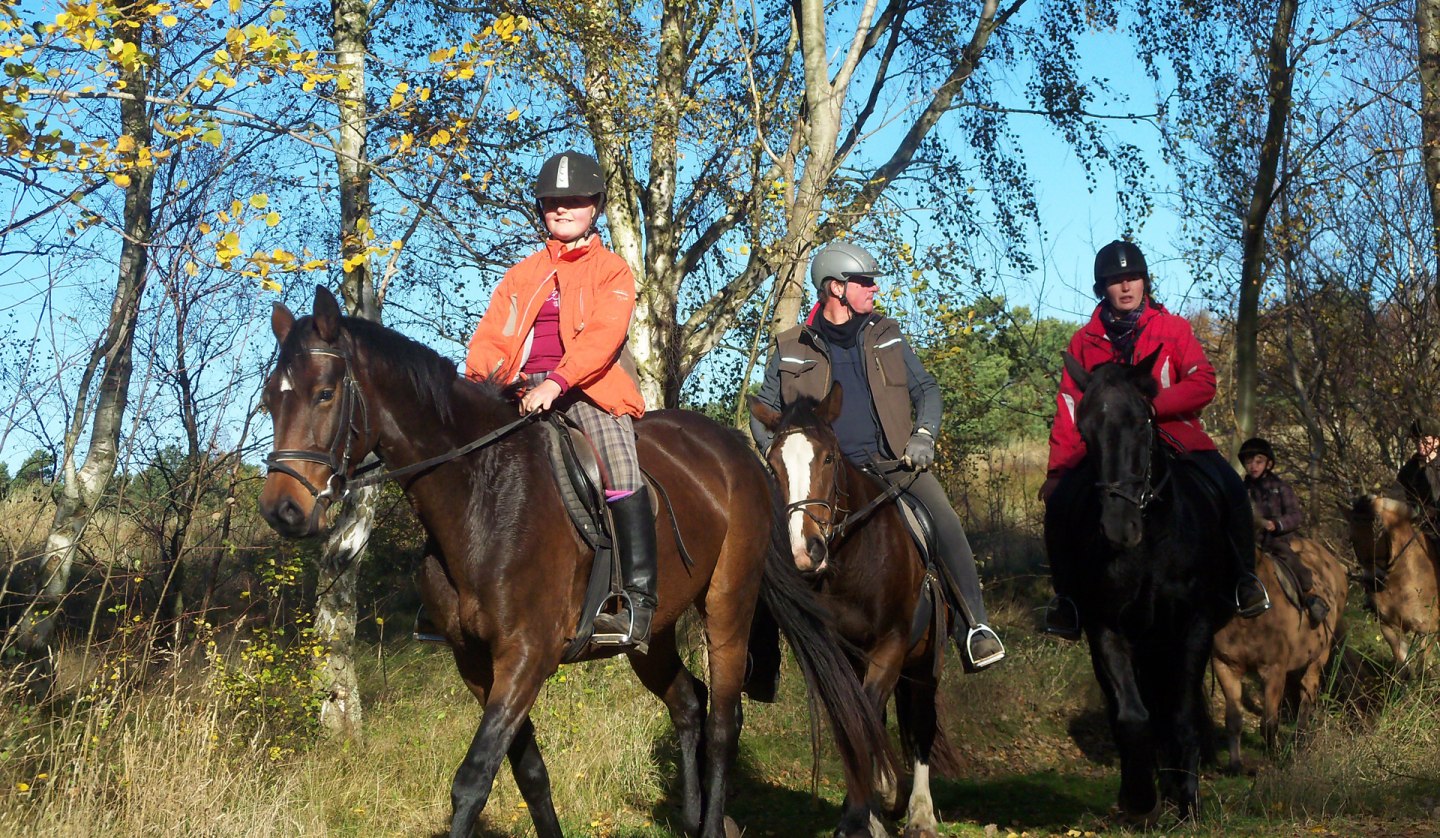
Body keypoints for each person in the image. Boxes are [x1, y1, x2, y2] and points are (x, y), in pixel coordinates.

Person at [749, 241, 1005, 671]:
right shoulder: (792, 344)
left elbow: (927, 390)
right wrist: (781, 462)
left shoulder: (887, 333)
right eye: (864, 282)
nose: (874, 289)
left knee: (945, 521)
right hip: (820, 480)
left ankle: (975, 627)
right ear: (834, 288)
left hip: (893, 466)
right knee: (759, 540)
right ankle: (760, 659)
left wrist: (923, 435)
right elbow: (762, 410)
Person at [441, 149, 655, 652]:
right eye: (553, 202)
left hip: (586, 387)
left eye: (575, 201)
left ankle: (637, 601)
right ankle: (449, 595)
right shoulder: (521, 275)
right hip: (517, 388)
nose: (563, 209)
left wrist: (557, 383)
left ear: (595, 206)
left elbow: (602, 338)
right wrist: (475, 390)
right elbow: (492, 339)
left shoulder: (613, 271)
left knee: (621, 468)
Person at [1040, 239, 1270, 639]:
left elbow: (1203, 381)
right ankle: (1067, 601)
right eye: (1115, 281)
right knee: (1059, 505)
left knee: (1231, 486)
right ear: (1102, 289)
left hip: (1173, 436)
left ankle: (1243, 580)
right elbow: (1069, 409)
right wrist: (1059, 470)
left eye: (1133, 278)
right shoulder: (1083, 342)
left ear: (1145, 282)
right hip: (1108, 451)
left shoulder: (1174, 329)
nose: (1125, 287)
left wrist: (1151, 408)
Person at [1239, 437, 1328, 624]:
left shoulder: (1280, 488)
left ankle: (1310, 595)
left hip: (1274, 539)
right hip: (1248, 539)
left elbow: (1295, 515)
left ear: (1268, 463)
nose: (1253, 466)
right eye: (1249, 462)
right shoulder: (1241, 490)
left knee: (1288, 557)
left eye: (1258, 461)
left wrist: (1276, 524)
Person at [1388, 418, 1440, 542]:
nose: (1420, 444)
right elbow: (1397, 498)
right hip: (1420, 527)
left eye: (1424, 441)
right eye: (1416, 440)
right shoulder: (1409, 470)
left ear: (1437, 441)